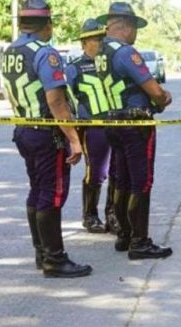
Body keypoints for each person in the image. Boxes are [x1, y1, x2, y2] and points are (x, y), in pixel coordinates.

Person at [2, 0, 91, 277]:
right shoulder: (46, 52)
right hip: (47, 134)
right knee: (52, 194)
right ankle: (55, 258)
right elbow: (56, 100)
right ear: (47, 24)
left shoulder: (10, 50)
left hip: (24, 130)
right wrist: (74, 139)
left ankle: (42, 252)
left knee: (37, 190)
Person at [96, 2, 173, 260]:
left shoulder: (100, 51)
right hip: (135, 124)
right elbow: (154, 90)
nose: (136, 33)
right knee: (141, 181)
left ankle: (125, 235)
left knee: (123, 180)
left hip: (112, 123)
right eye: (135, 28)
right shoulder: (127, 52)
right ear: (126, 26)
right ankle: (140, 241)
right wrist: (163, 98)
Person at [65, 18, 112, 233]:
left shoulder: (111, 63)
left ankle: (113, 214)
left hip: (116, 124)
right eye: (95, 39)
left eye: (102, 38)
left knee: (117, 171)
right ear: (84, 43)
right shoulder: (75, 67)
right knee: (96, 171)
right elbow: (68, 99)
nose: (100, 42)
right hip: (91, 127)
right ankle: (90, 215)